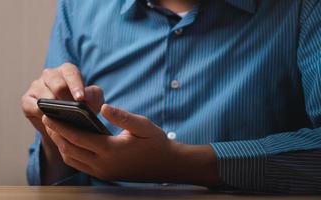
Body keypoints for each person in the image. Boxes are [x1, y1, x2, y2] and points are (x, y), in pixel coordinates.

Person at [21, 0, 321, 194]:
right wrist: (53, 132)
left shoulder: (303, 8)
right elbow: (47, 184)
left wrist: (178, 162)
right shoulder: (79, 9)